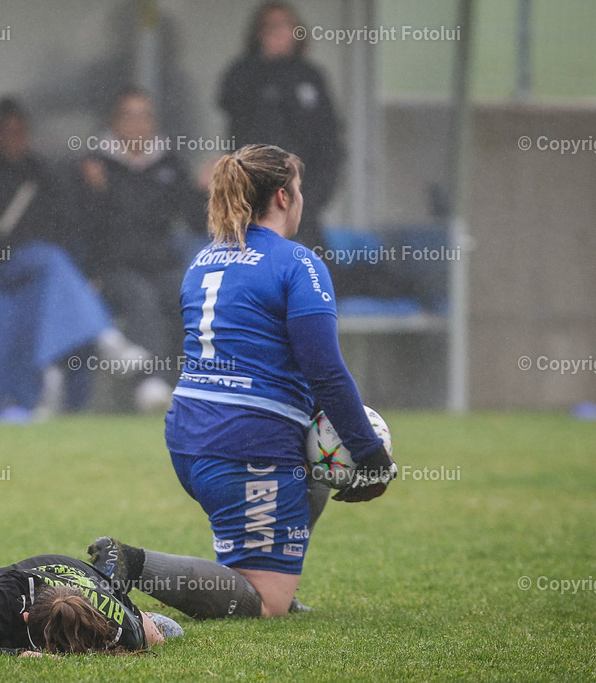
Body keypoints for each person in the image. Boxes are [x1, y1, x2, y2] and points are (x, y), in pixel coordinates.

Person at [89, 144, 397, 619]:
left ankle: (267, 565)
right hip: (248, 446)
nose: (302, 198)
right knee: (264, 604)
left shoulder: (205, 259)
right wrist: (371, 456)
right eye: (299, 189)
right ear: (281, 195)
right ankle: (134, 565)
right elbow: (326, 372)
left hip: (190, 434)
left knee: (307, 461)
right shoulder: (297, 262)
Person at [0, 96, 146, 421]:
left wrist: (97, 192)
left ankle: (30, 401)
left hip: (40, 276)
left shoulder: (43, 174)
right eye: (6, 132)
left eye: (20, 132)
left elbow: (69, 227)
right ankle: (105, 335)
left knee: (48, 276)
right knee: (48, 259)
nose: (13, 139)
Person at [77, 88, 205, 412]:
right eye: (129, 115)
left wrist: (204, 191)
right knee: (140, 297)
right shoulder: (94, 166)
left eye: (144, 115)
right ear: (114, 122)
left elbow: (195, 221)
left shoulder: (170, 165)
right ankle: (153, 383)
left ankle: (193, 387)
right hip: (114, 268)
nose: (137, 123)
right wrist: (96, 194)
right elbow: (82, 227)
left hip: (161, 264)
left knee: (188, 296)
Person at [218, 2, 342, 251]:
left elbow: (330, 142)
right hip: (254, 204)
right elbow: (239, 132)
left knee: (312, 269)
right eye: (271, 26)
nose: (278, 33)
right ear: (258, 32)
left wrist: (311, 196)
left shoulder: (311, 77)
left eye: (285, 26)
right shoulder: (243, 75)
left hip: (303, 203)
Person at [0, 555, 183, 655]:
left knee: (154, 636)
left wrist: (139, 618)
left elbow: (118, 596)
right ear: (25, 616)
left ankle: (149, 617)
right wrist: (21, 654)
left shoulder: (126, 632)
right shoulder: (9, 590)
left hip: (74, 572)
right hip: (12, 579)